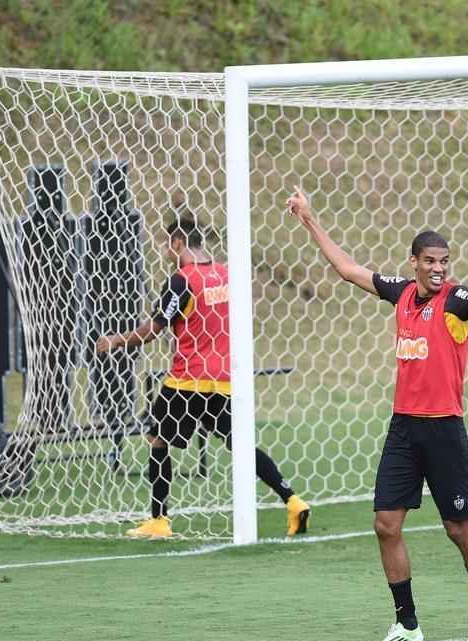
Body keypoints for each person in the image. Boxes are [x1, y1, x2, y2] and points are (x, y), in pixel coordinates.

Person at [287, 186, 468, 641]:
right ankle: (407, 624)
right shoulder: (400, 293)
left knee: (458, 529)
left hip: (444, 429)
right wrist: (309, 218)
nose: (439, 269)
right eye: (431, 261)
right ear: (414, 262)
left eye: (445, 261)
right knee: (385, 524)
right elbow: (348, 269)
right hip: (404, 427)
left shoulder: (456, 300)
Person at [96, 213, 310, 538]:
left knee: (157, 439)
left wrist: (115, 340)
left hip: (187, 378)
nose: (167, 254)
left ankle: (159, 520)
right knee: (240, 445)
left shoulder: (182, 280)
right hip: (224, 378)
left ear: (178, 242)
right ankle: (292, 499)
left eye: (167, 247)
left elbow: (154, 329)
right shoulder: (225, 274)